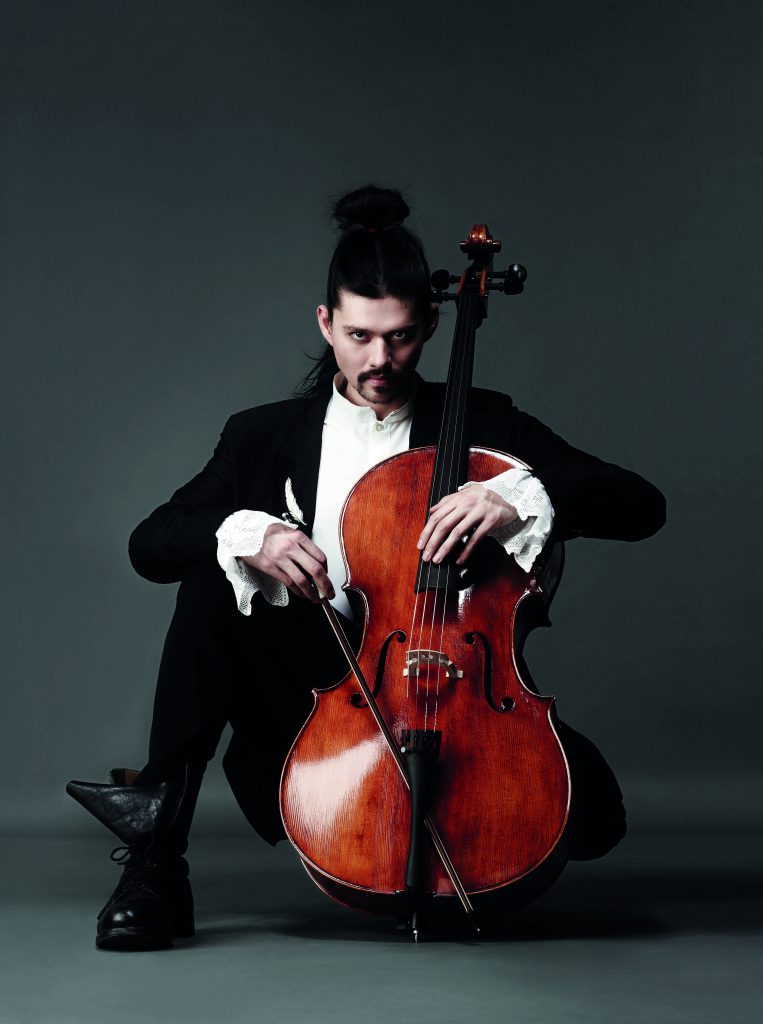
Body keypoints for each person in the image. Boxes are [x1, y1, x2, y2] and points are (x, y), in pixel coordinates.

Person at [67, 185, 666, 951]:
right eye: (359, 336)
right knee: (212, 577)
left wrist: (523, 493)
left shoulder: (484, 424)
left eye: (403, 337)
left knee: (594, 822)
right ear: (326, 323)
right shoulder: (261, 437)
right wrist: (246, 534)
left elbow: (639, 505)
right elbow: (150, 544)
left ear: (430, 325)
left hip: (463, 699)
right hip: (317, 704)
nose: (379, 360)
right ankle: (154, 862)